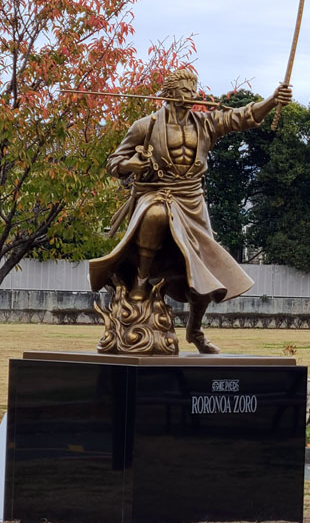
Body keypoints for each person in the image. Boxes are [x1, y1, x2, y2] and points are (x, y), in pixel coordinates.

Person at [89, 69, 293, 353]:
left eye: (193, 89)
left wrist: (272, 101)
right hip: (155, 193)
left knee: (204, 271)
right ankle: (141, 280)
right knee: (156, 213)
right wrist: (132, 166)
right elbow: (115, 162)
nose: (192, 95)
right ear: (170, 94)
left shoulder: (205, 123)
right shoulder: (144, 126)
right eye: (185, 90)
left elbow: (241, 117)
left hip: (192, 200)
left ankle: (195, 329)